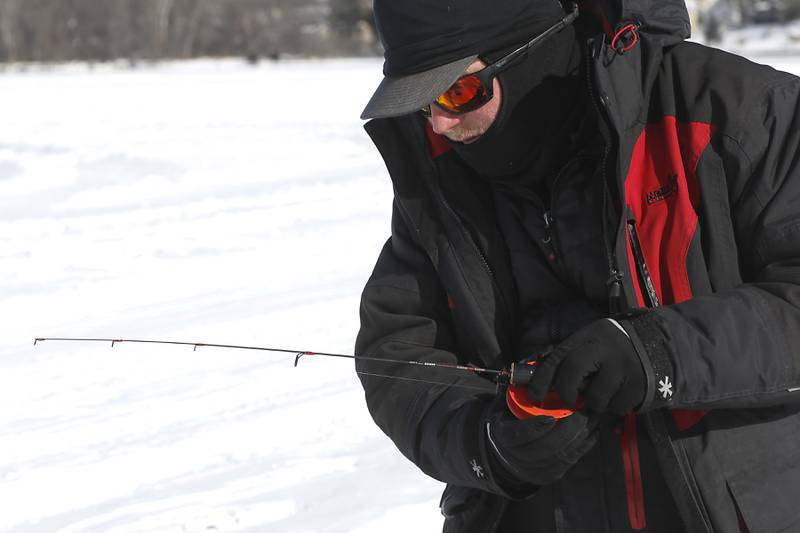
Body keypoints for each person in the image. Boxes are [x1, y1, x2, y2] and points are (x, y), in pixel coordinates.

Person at [354, 0, 800, 531]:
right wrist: (486, 444)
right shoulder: (444, 178)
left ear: (531, 56)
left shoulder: (739, 110)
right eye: (423, 101)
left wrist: (659, 353)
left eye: (457, 91)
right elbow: (398, 353)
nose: (442, 122)